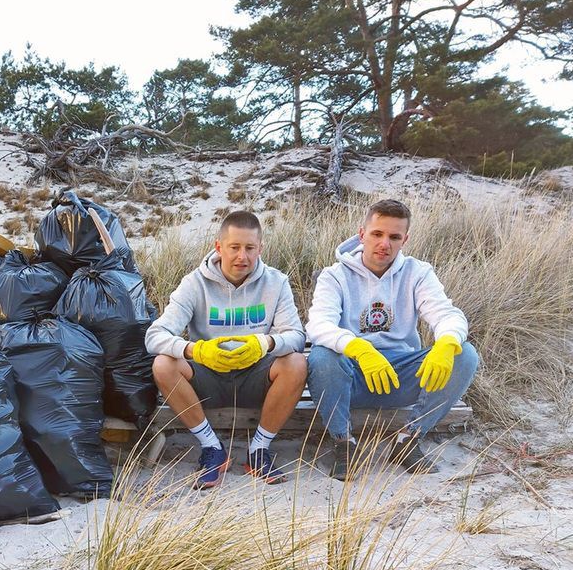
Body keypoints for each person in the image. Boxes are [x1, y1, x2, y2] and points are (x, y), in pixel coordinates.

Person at [306, 198, 479, 480]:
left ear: (405, 240)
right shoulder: (334, 276)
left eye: (394, 236)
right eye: (377, 234)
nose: (384, 243)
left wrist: (446, 342)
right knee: (322, 356)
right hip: (354, 376)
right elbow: (318, 324)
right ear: (362, 234)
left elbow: (447, 314)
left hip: (400, 375)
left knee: (465, 354)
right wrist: (359, 348)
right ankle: (342, 443)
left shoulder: (418, 272)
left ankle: (408, 440)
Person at [145, 210, 307, 488]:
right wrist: (195, 351)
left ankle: (258, 451)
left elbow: (296, 336)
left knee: (296, 363)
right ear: (219, 246)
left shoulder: (276, 282)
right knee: (163, 364)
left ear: (260, 248)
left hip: (256, 377)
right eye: (234, 247)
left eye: (249, 248)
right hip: (208, 379)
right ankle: (212, 449)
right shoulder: (194, 283)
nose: (242, 256)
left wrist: (266, 343)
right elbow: (154, 336)